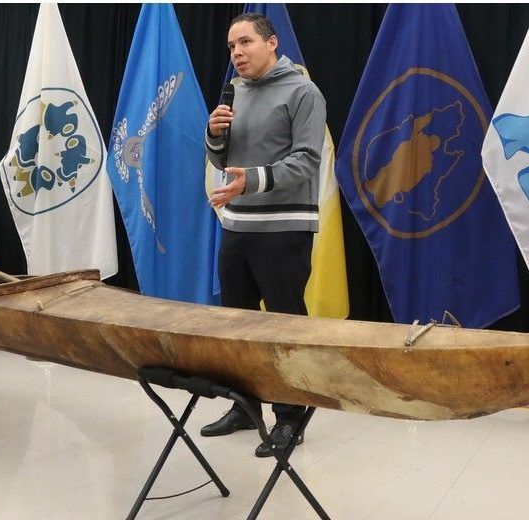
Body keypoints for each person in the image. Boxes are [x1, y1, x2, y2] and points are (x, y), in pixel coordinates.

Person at [203, 13, 326, 458]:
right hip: (238, 225)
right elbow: (223, 162)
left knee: (283, 325)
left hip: (285, 228)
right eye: (231, 46)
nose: (236, 53)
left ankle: (291, 418)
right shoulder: (234, 93)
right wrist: (213, 134)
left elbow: (307, 161)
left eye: (245, 42)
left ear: (271, 43)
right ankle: (244, 407)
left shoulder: (303, 92)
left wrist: (251, 181)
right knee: (236, 325)